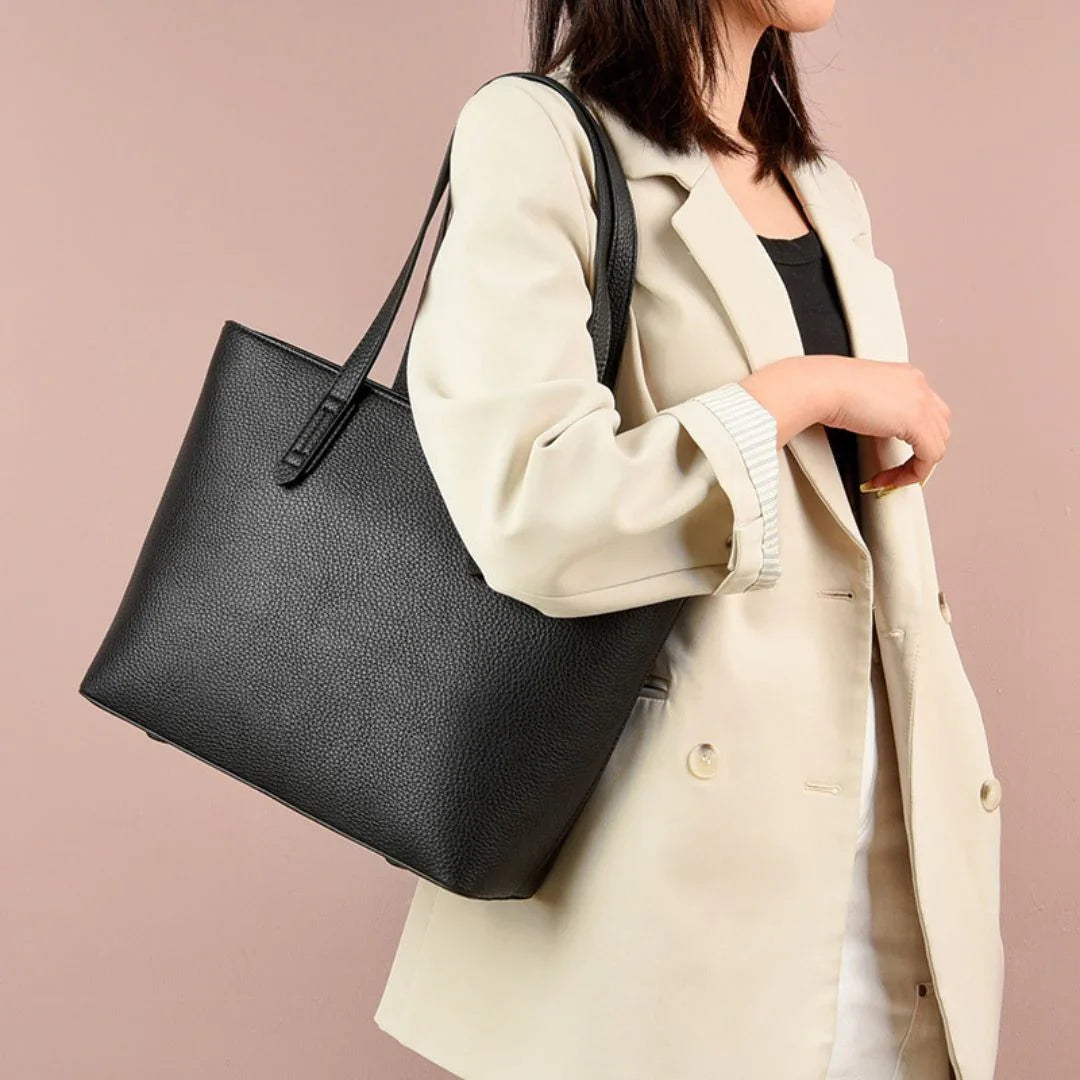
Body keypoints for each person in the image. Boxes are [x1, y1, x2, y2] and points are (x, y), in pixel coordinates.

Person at [374, 2, 1004, 1078]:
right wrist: (800, 393)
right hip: (673, 897)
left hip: (890, 861)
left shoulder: (826, 192)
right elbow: (533, 510)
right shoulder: (541, 139)